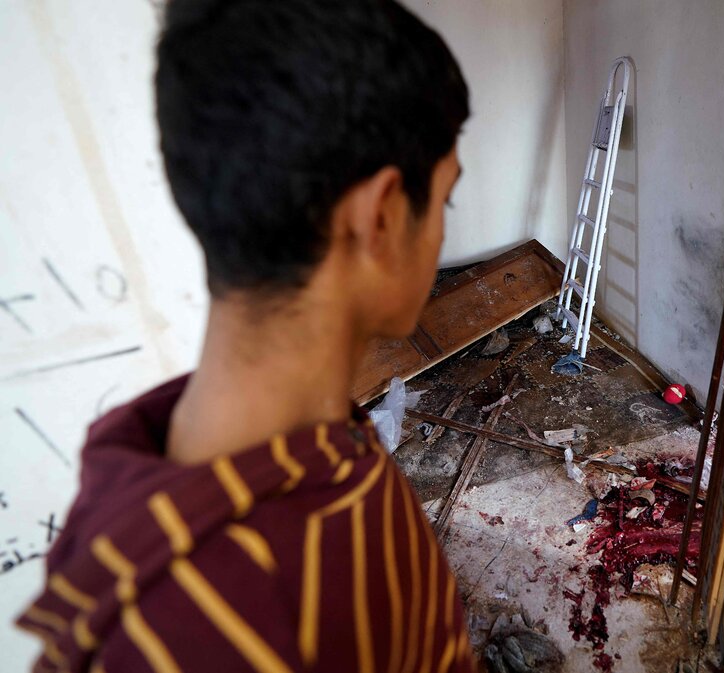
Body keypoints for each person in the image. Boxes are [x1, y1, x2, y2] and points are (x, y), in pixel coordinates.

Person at [16, 0, 473, 671]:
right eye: (444, 198)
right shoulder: (244, 628)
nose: (442, 231)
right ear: (379, 217)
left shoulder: (148, 451)